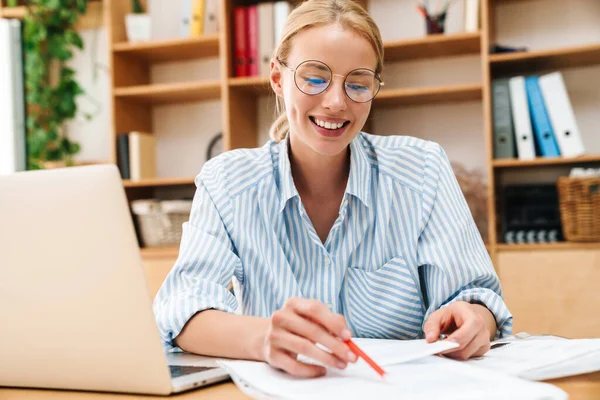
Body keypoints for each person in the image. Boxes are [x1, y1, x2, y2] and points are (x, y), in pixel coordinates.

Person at [153, 0, 513, 378]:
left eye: (357, 84)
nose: (336, 102)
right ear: (277, 77)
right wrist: (263, 338)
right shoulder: (227, 182)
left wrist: (475, 318)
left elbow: (478, 297)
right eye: (313, 78)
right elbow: (182, 308)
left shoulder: (422, 170)